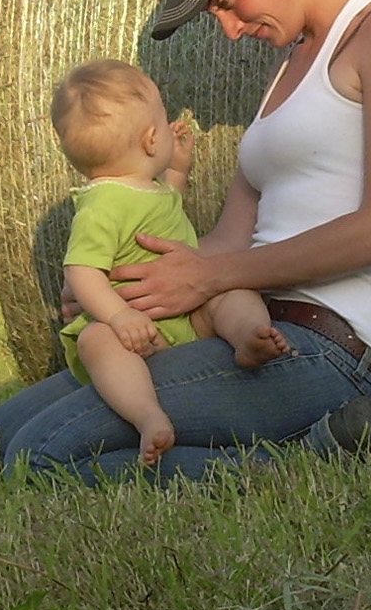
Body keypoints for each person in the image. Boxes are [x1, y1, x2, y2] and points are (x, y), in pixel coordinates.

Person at [0, 0, 371, 481]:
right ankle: (325, 448)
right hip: (247, 327)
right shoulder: (292, 66)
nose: (229, 28)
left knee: (36, 458)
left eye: (223, 0)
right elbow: (225, 241)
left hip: (328, 351)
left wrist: (211, 277)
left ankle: (311, 460)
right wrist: (123, 287)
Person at [47, 59, 290, 466]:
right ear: (149, 140)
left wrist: (177, 167)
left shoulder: (146, 189)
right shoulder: (102, 203)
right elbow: (81, 271)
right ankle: (147, 414)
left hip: (186, 312)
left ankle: (249, 335)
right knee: (96, 340)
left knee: (232, 287)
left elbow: (167, 208)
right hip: (133, 329)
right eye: (163, 116)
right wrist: (119, 317)